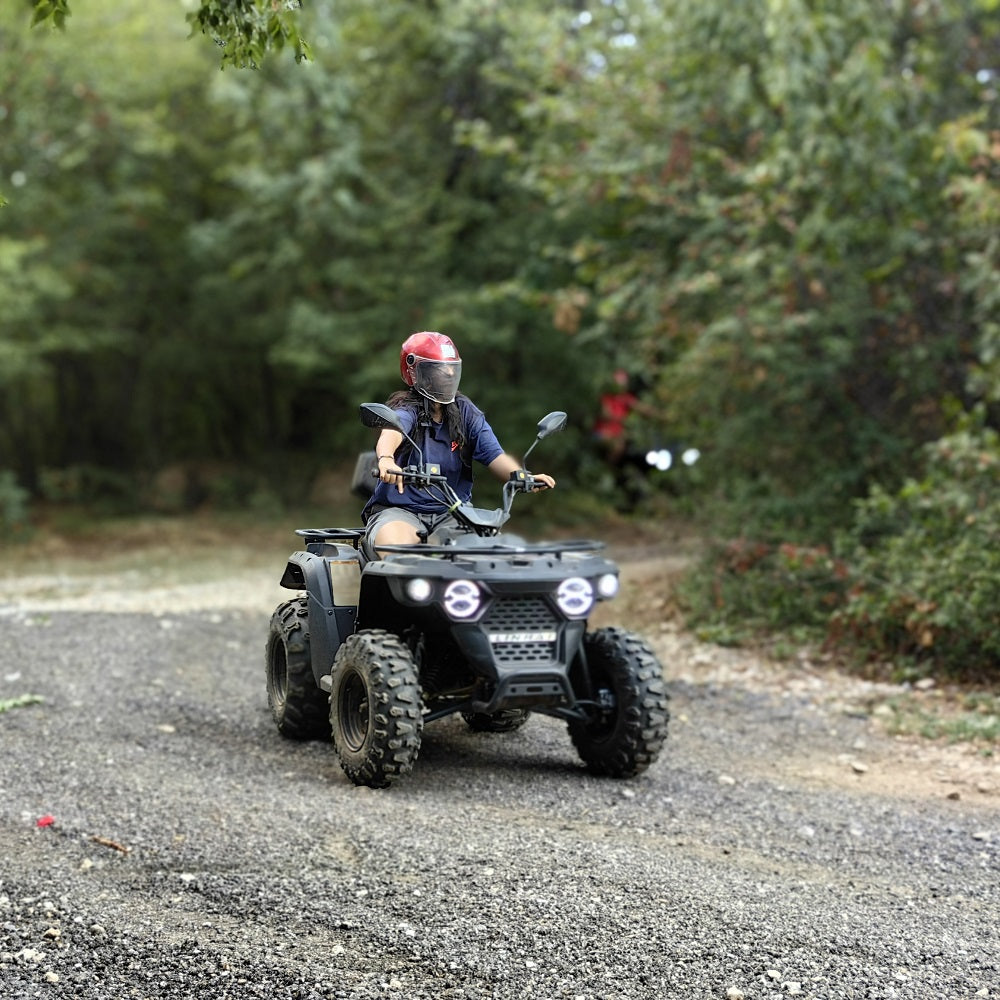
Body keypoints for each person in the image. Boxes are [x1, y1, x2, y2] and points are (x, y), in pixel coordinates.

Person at [362, 332, 556, 548]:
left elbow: (495, 455)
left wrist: (522, 476)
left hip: (453, 512)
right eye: (437, 368)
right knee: (397, 547)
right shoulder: (406, 409)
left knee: (483, 551)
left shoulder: (465, 412)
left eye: (451, 368)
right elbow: (392, 431)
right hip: (399, 511)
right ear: (415, 372)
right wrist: (387, 460)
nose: (447, 373)